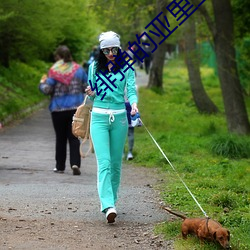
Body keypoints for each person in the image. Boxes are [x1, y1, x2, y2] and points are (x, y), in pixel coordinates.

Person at [85, 31, 138, 223]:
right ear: (101, 50)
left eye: (113, 49)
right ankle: (107, 204)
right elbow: (91, 95)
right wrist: (90, 92)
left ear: (119, 48)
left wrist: (133, 104)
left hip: (120, 118)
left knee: (116, 164)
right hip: (98, 117)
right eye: (106, 50)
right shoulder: (93, 67)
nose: (110, 53)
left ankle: (112, 201)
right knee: (104, 163)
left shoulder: (127, 68)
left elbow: (131, 90)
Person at [39, 45, 88, 175]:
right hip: (75, 109)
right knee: (74, 137)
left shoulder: (54, 71)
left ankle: (60, 166)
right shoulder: (79, 70)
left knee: (60, 138)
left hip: (58, 109)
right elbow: (87, 87)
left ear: (58, 57)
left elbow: (47, 90)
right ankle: (75, 163)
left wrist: (42, 83)